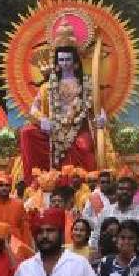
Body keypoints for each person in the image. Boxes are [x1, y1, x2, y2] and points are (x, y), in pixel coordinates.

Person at [18, 43, 101, 178]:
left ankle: (83, 180)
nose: (65, 63)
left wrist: (101, 120)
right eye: (61, 60)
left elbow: (96, 110)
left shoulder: (86, 85)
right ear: (57, 63)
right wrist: (43, 120)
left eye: (68, 59)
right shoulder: (47, 86)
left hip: (77, 128)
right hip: (53, 129)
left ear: (75, 62)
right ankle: (36, 180)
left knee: (84, 146)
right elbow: (34, 109)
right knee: (27, 133)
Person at [90, 176, 139, 250]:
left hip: (133, 257)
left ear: (134, 192)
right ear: (116, 191)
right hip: (108, 256)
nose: (124, 192)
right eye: (121, 189)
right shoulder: (106, 212)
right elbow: (95, 236)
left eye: (128, 189)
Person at [0, 175, 31, 243]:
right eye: (1, 185)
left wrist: (26, 248)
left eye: (7, 185)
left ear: (11, 187)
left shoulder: (19, 205)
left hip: (15, 244)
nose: (4, 188)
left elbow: (25, 229)